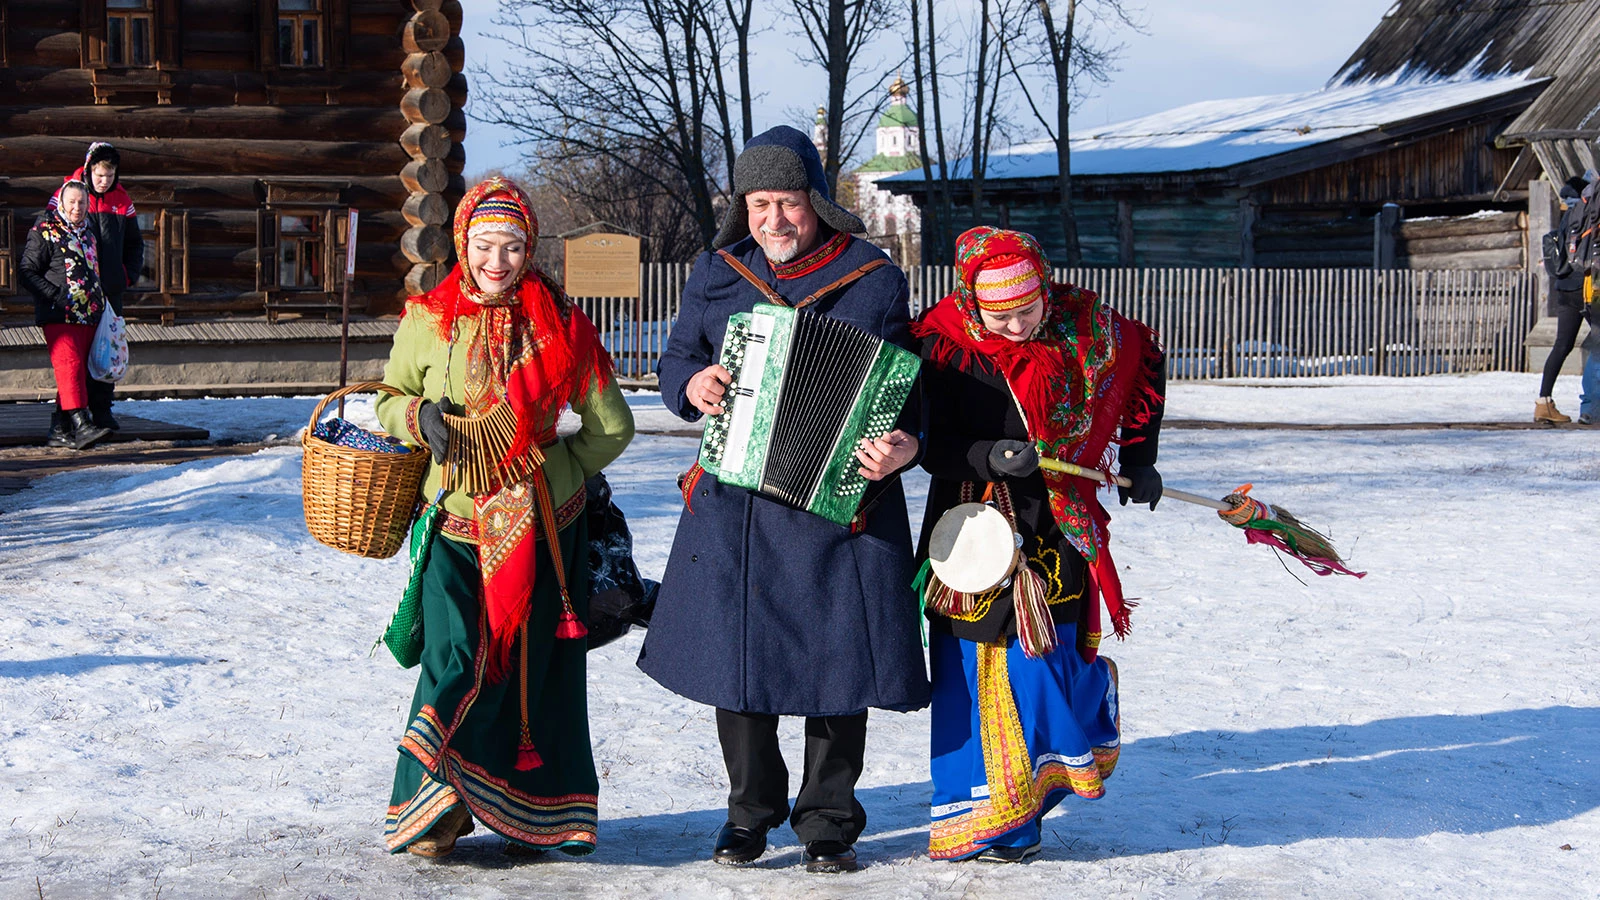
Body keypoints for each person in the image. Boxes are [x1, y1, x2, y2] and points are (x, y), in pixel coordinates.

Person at [638, 125, 930, 874]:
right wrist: (690, 386)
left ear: (818, 203)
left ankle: (829, 820)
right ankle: (749, 814)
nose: (774, 219)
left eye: (789, 202)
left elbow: (912, 386)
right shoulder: (718, 270)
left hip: (844, 506)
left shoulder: (872, 276)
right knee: (739, 667)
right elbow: (678, 359)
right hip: (738, 506)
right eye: (760, 202)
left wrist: (907, 444)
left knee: (841, 667)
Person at [372, 177, 634, 859]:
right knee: (456, 660)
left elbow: (612, 425)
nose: (497, 261)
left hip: (543, 531)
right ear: (463, 244)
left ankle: (530, 816)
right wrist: (417, 416)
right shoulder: (429, 319)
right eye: (485, 246)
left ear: (529, 249)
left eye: (512, 247)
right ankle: (434, 812)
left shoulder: (563, 325)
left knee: (528, 675)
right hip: (456, 526)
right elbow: (387, 398)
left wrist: (556, 469)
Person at [910, 226, 1165, 863]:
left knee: (1045, 663)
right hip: (972, 525)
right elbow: (922, 441)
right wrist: (984, 454)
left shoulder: (1090, 330)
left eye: (1028, 310)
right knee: (974, 674)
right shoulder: (943, 345)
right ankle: (997, 824)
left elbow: (1142, 376)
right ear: (974, 304)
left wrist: (1141, 459)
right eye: (1001, 316)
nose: (1018, 326)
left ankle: (1087, 704)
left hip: (1057, 527)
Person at [50, 142, 142, 432]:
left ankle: (102, 410)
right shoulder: (71, 194)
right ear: (89, 170)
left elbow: (135, 243)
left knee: (107, 350)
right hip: (79, 288)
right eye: (100, 175)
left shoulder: (122, 200)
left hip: (111, 288)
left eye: (110, 175)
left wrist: (127, 275)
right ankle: (72, 414)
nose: (105, 181)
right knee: (77, 353)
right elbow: (50, 233)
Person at [20, 179, 113, 451]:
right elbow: (27, 271)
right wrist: (55, 296)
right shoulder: (44, 230)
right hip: (58, 314)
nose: (77, 207)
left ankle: (59, 430)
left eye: (82, 202)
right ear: (61, 202)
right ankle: (82, 426)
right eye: (71, 202)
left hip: (88, 315)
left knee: (76, 373)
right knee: (69, 366)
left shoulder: (88, 233)